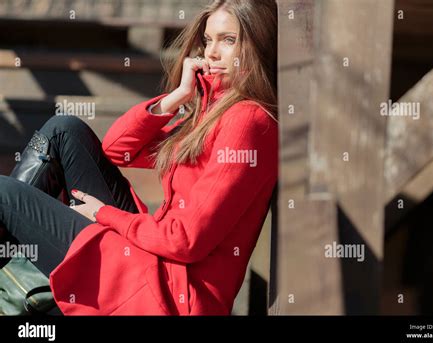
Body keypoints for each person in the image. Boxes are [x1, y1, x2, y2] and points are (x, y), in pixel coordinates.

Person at [0, 0, 278, 315]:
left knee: (4, 194)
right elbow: (118, 148)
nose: (212, 53)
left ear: (259, 43)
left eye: (228, 40)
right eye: (208, 40)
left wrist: (105, 214)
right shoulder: (214, 111)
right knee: (65, 131)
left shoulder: (248, 121)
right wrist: (176, 98)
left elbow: (184, 241)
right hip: (155, 257)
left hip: (171, 294)